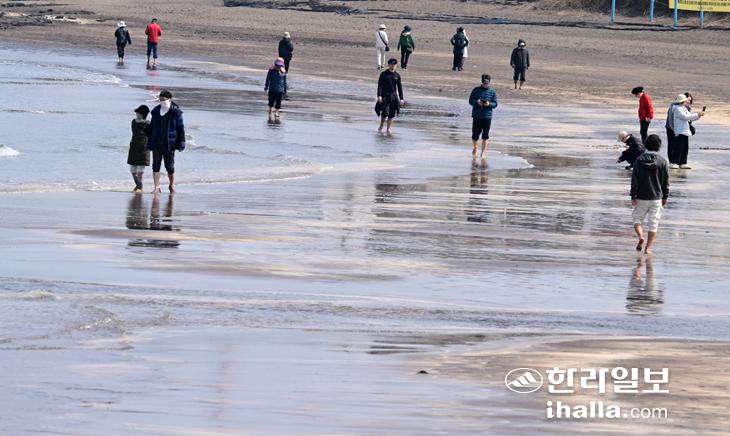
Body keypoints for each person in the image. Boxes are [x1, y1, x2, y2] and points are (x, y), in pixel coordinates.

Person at [631, 134, 669, 255]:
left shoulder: (638, 160)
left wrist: (633, 195)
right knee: (653, 224)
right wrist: (665, 196)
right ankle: (647, 248)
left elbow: (634, 180)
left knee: (637, 219)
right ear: (659, 146)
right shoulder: (663, 161)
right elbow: (666, 181)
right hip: (656, 197)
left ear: (646, 145)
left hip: (641, 196)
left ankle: (641, 236)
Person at [147, 90, 185, 193]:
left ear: (169, 99)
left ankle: (171, 185)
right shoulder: (155, 112)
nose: (162, 101)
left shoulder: (176, 113)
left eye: (163, 100)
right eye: (160, 99)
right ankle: (157, 187)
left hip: (169, 144)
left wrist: (181, 143)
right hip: (156, 143)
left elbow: (181, 129)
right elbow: (151, 128)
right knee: (155, 165)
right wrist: (149, 142)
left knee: (170, 167)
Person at [468, 74, 498, 158]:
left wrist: (489, 104)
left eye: (487, 83)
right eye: (484, 83)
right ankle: (475, 147)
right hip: (477, 116)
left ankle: (483, 152)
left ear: (489, 83)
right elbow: (470, 101)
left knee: (485, 135)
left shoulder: (492, 91)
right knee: (475, 135)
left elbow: (495, 104)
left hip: (487, 117)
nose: (485, 84)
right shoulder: (476, 90)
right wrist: (477, 102)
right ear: (482, 82)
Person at [671, 93, 704, 169]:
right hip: (680, 131)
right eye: (685, 101)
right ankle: (674, 162)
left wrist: (698, 115)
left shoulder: (683, 108)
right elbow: (686, 117)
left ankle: (683, 163)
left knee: (685, 148)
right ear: (682, 101)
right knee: (679, 148)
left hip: (685, 131)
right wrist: (697, 114)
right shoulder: (677, 109)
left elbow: (690, 117)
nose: (687, 102)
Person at [377, 58, 404, 135]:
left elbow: (399, 87)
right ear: (388, 65)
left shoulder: (397, 75)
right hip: (385, 96)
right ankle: (381, 125)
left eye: (394, 64)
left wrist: (401, 98)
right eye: (391, 64)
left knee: (391, 114)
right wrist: (379, 95)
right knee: (385, 113)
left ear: (396, 65)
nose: (393, 66)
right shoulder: (384, 74)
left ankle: (388, 128)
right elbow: (380, 85)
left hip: (394, 97)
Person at [128, 105, 151, 192]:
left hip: (144, 148)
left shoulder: (147, 123)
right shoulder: (133, 122)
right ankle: (138, 185)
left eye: (138, 112)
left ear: (142, 114)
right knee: (132, 169)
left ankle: (140, 187)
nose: (136, 113)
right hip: (134, 146)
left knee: (140, 170)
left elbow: (150, 135)